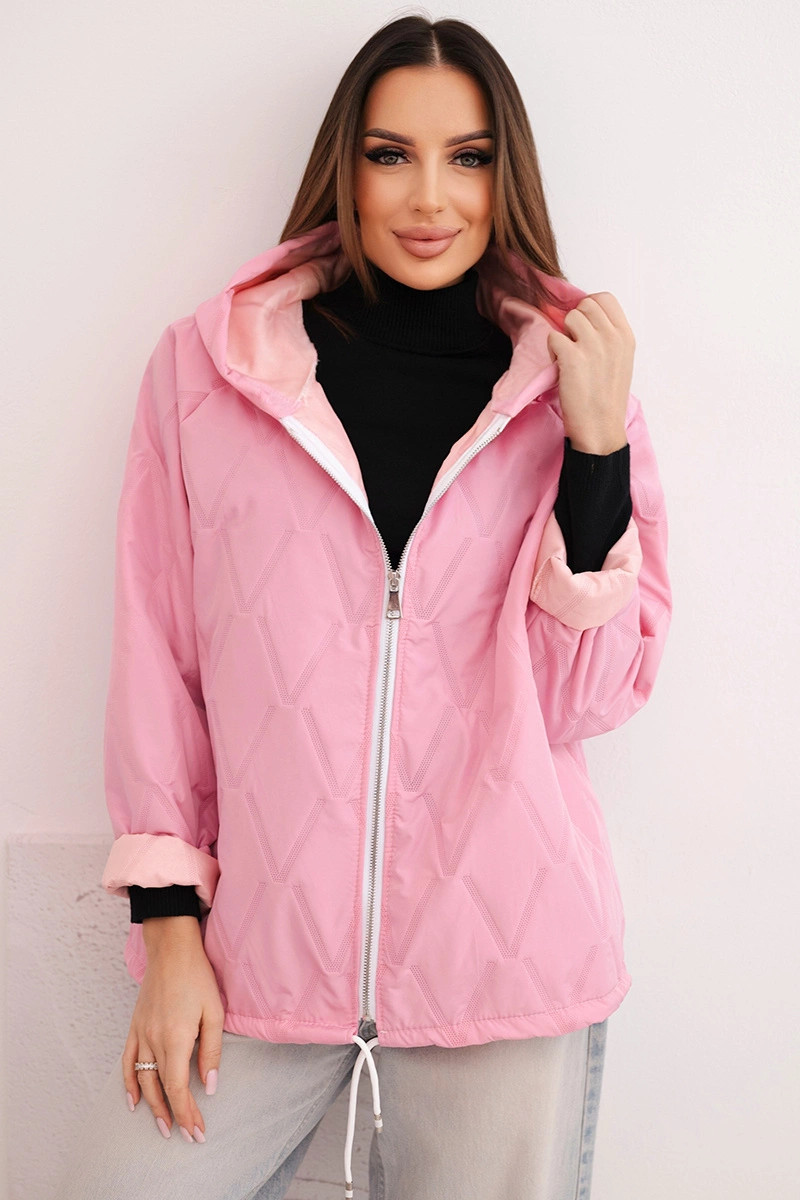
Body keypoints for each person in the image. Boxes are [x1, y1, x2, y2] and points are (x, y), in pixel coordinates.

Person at [59, 13, 671, 1200]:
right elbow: (159, 655)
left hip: (505, 963)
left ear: (504, 176)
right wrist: (170, 933)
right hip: (253, 961)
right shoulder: (209, 374)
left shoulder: (567, 392)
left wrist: (594, 446)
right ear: (344, 168)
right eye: (390, 154)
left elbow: (585, 699)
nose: (428, 196)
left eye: (467, 157)